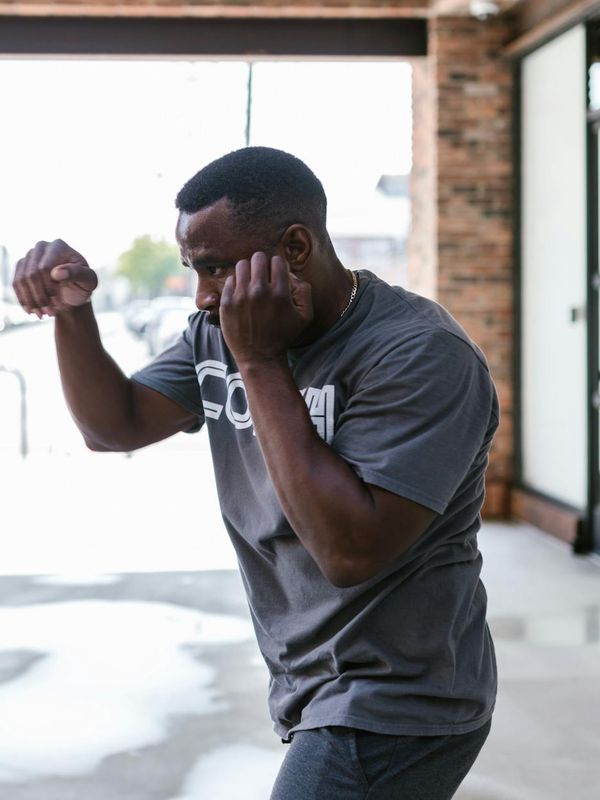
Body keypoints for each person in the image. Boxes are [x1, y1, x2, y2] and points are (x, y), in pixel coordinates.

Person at [13, 146, 499, 799]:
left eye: (215, 269)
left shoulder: (418, 353)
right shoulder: (218, 333)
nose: (204, 296)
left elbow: (350, 550)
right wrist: (73, 314)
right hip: (313, 685)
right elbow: (115, 426)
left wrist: (260, 364)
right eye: (193, 269)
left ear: (295, 247)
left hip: (400, 699)